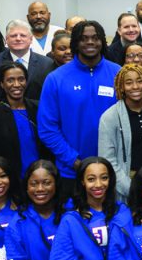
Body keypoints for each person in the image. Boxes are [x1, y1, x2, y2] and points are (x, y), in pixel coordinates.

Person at [37, 21, 122, 193]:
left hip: (113, 171)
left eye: (95, 38)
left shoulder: (118, 74)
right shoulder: (56, 78)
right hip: (71, 172)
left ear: (103, 42)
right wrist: (74, 161)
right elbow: (47, 128)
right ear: (75, 43)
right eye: (83, 39)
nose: (90, 42)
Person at [49, 156, 132, 260]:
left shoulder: (123, 212)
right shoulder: (71, 219)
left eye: (104, 178)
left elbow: (131, 254)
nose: (99, 184)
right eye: (91, 179)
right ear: (82, 181)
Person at [3, 160, 63, 260]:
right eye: (34, 184)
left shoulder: (70, 217)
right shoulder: (17, 223)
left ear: (56, 184)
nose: (40, 189)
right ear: (26, 187)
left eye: (47, 183)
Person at [0, 62, 49, 189]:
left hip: (41, 178)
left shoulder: (39, 108)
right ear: (2, 84)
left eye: (21, 79)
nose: (17, 84)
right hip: (11, 181)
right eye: (10, 80)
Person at [97, 64, 142, 200]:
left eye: (140, 81)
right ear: (121, 87)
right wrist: (131, 189)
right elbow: (108, 160)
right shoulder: (109, 117)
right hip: (127, 183)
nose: (135, 87)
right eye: (129, 83)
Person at [0, 19, 55, 101]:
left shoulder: (47, 63)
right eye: (13, 36)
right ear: (7, 39)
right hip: (3, 112)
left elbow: (50, 96)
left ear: (31, 39)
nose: (18, 39)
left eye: (23, 35)